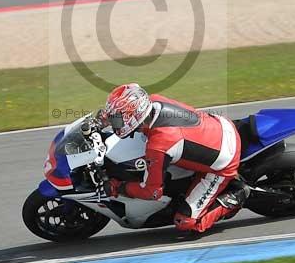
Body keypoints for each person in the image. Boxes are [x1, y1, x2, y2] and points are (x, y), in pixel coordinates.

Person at [101, 83, 250, 234]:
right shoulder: (154, 101)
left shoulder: (158, 145)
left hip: (224, 162)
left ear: (135, 116)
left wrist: (118, 187)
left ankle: (237, 196)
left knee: (185, 222)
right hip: (219, 124)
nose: (115, 123)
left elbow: (152, 192)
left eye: (117, 119)